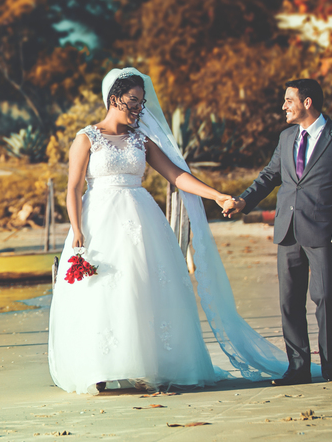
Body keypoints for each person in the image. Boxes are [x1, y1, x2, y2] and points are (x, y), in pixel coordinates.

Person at [48, 68, 269, 393]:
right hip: (98, 221)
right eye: (133, 102)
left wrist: (217, 195)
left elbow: (177, 176)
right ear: (114, 99)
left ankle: (144, 363)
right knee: (101, 290)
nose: (139, 109)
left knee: (140, 287)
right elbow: (72, 187)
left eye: (142, 102)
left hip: (141, 220)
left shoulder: (142, 140)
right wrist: (77, 228)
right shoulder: (86, 138)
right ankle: (98, 366)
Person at [222, 79, 332, 386]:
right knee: (290, 301)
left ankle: (328, 359)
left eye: (289, 100)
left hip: (324, 230)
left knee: (325, 296)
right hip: (287, 231)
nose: (284, 106)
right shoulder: (287, 137)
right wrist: (244, 201)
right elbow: (269, 176)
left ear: (308, 102)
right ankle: (298, 367)